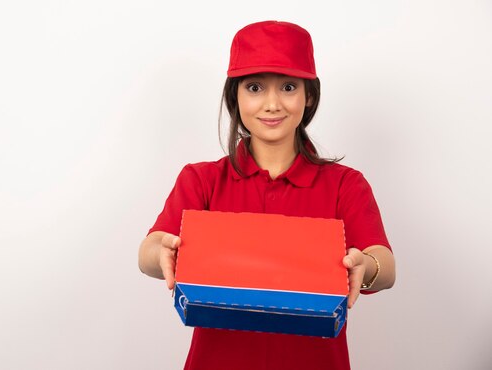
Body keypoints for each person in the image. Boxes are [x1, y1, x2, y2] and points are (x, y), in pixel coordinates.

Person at [138, 20, 396, 370]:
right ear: (235, 96)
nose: (272, 104)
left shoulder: (345, 184)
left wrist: (366, 267)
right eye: (255, 87)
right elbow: (150, 249)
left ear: (309, 97)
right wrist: (162, 253)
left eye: (288, 87)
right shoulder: (202, 179)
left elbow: (384, 263)